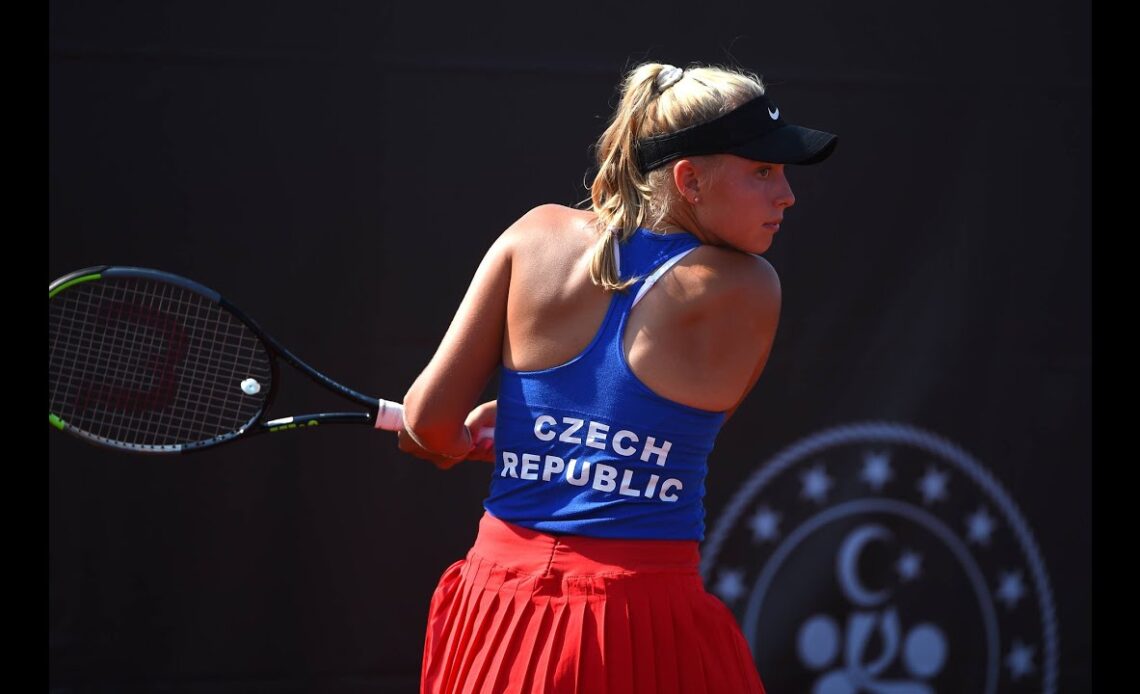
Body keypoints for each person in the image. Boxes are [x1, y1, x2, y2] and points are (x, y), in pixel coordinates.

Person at [390, 61, 837, 693]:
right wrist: (565, 436)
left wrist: (521, 432)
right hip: (635, 621)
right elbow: (659, 429)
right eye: (762, 172)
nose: (786, 194)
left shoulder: (533, 234)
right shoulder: (749, 287)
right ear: (690, 180)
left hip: (495, 613)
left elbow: (427, 424)